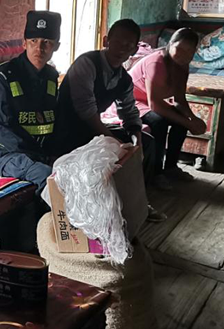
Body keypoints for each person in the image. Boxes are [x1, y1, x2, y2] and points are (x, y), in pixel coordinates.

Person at [55, 19, 167, 222]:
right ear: (106, 41)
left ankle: (138, 203)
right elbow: (86, 110)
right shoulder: (87, 63)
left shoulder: (124, 79)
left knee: (146, 143)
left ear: (135, 50)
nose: (122, 49)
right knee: (114, 149)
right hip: (67, 130)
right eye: (117, 42)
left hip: (93, 130)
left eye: (128, 45)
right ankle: (108, 211)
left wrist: (136, 139)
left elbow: (129, 112)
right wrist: (114, 141)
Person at [0, 11, 61, 193]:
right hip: (3, 153)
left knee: (76, 167)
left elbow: (55, 119)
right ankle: (53, 213)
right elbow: (0, 128)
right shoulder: (1, 76)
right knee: (47, 176)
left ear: (56, 46)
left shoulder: (51, 76)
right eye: (33, 41)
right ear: (24, 43)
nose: (39, 48)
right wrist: (39, 155)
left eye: (46, 42)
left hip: (39, 151)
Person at [128, 28, 207, 191]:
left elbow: (179, 99)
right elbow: (155, 105)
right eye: (180, 49)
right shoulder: (156, 63)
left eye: (189, 51)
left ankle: (171, 167)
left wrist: (192, 118)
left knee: (181, 122)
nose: (184, 55)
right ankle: (156, 173)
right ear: (170, 45)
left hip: (150, 101)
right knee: (159, 122)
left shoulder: (182, 65)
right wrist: (188, 122)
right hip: (132, 102)